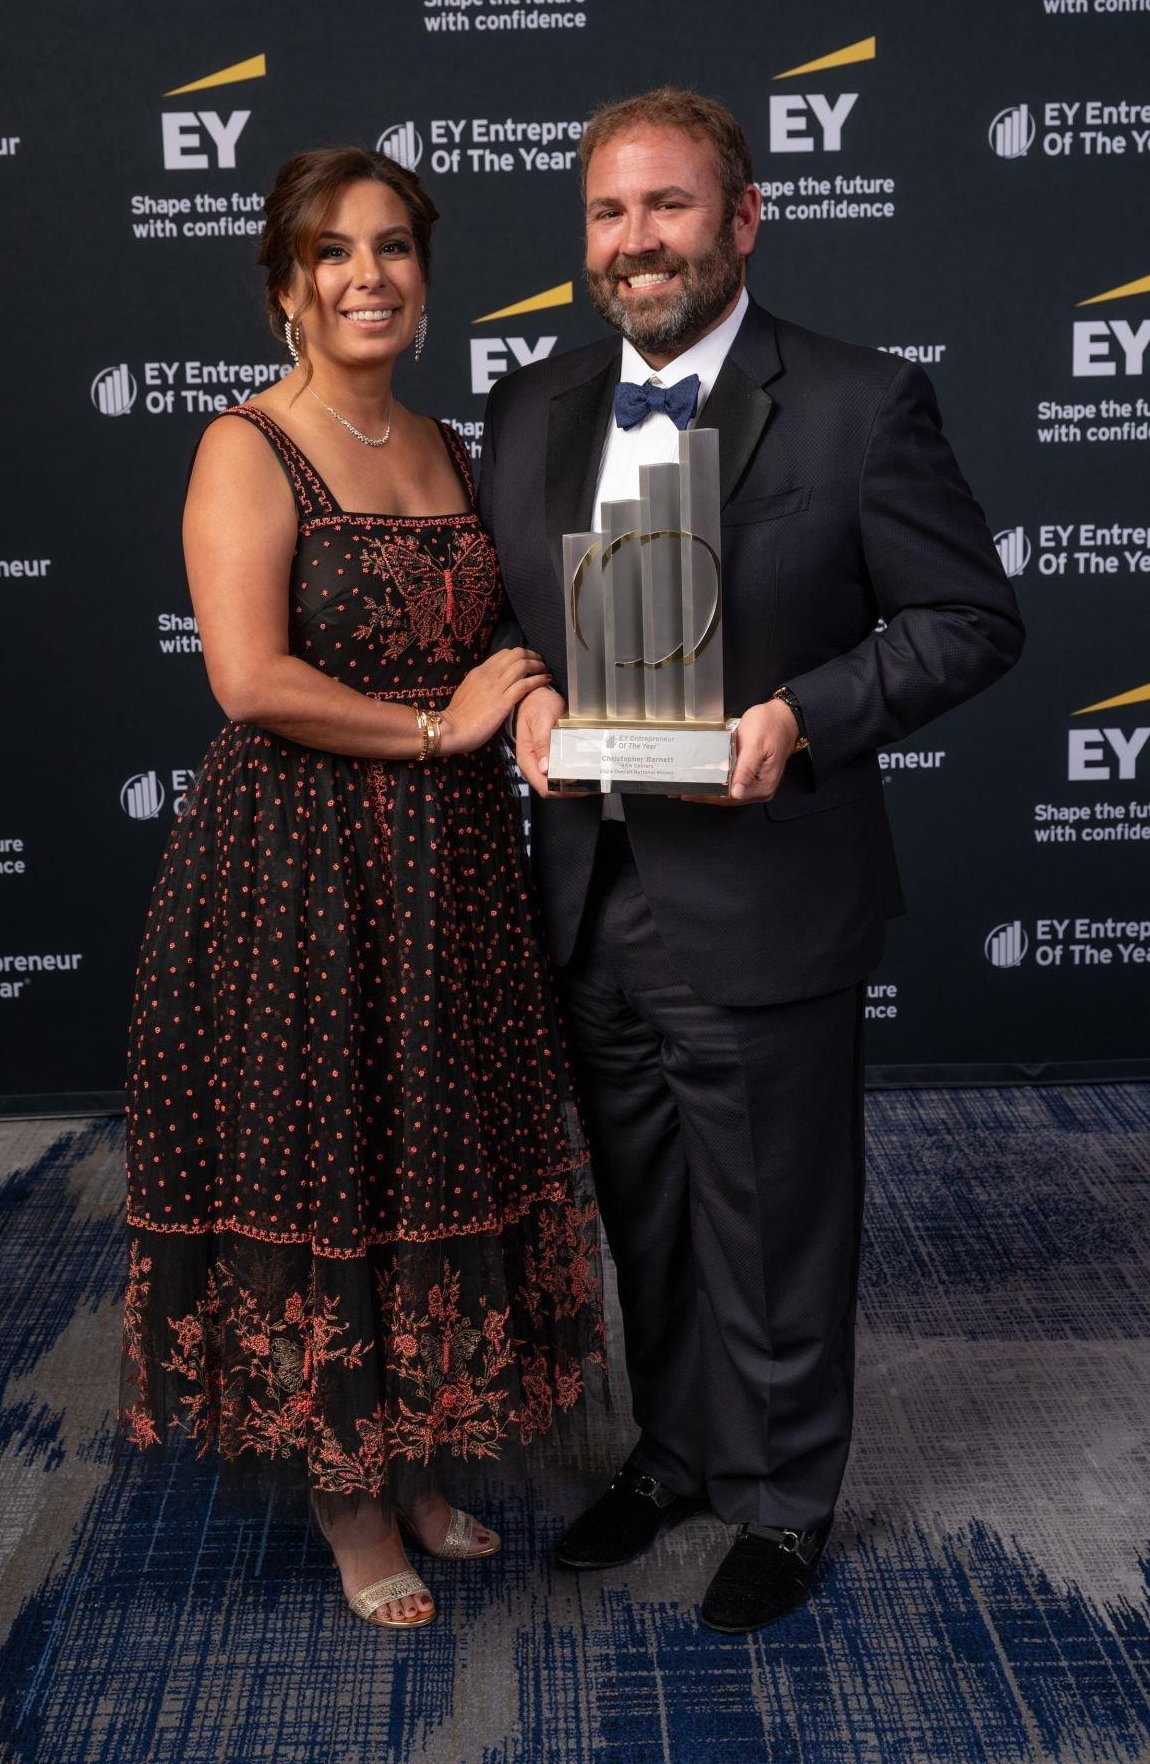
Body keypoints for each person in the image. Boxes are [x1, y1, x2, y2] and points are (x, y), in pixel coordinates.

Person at [477, 87, 1024, 1634]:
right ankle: (677, 1454)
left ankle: (785, 1500)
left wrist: (806, 712)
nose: (635, 241)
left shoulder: (860, 402)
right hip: (588, 889)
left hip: (769, 885)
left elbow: (970, 621)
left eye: (666, 207)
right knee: (645, 1211)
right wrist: (520, 688)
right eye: (607, 213)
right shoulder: (530, 406)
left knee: (776, 1217)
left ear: (742, 218)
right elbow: (509, 623)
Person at [120, 144, 605, 1630]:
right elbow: (251, 677)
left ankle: (414, 1460)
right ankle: (349, 1503)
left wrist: (520, 708)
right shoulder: (245, 445)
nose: (371, 275)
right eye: (335, 252)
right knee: (328, 1161)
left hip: (450, 868)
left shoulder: (453, 445)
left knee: (428, 1158)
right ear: (288, 288)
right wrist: (435, 727)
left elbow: (505, 643)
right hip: (303, 873)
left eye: (394, 247)